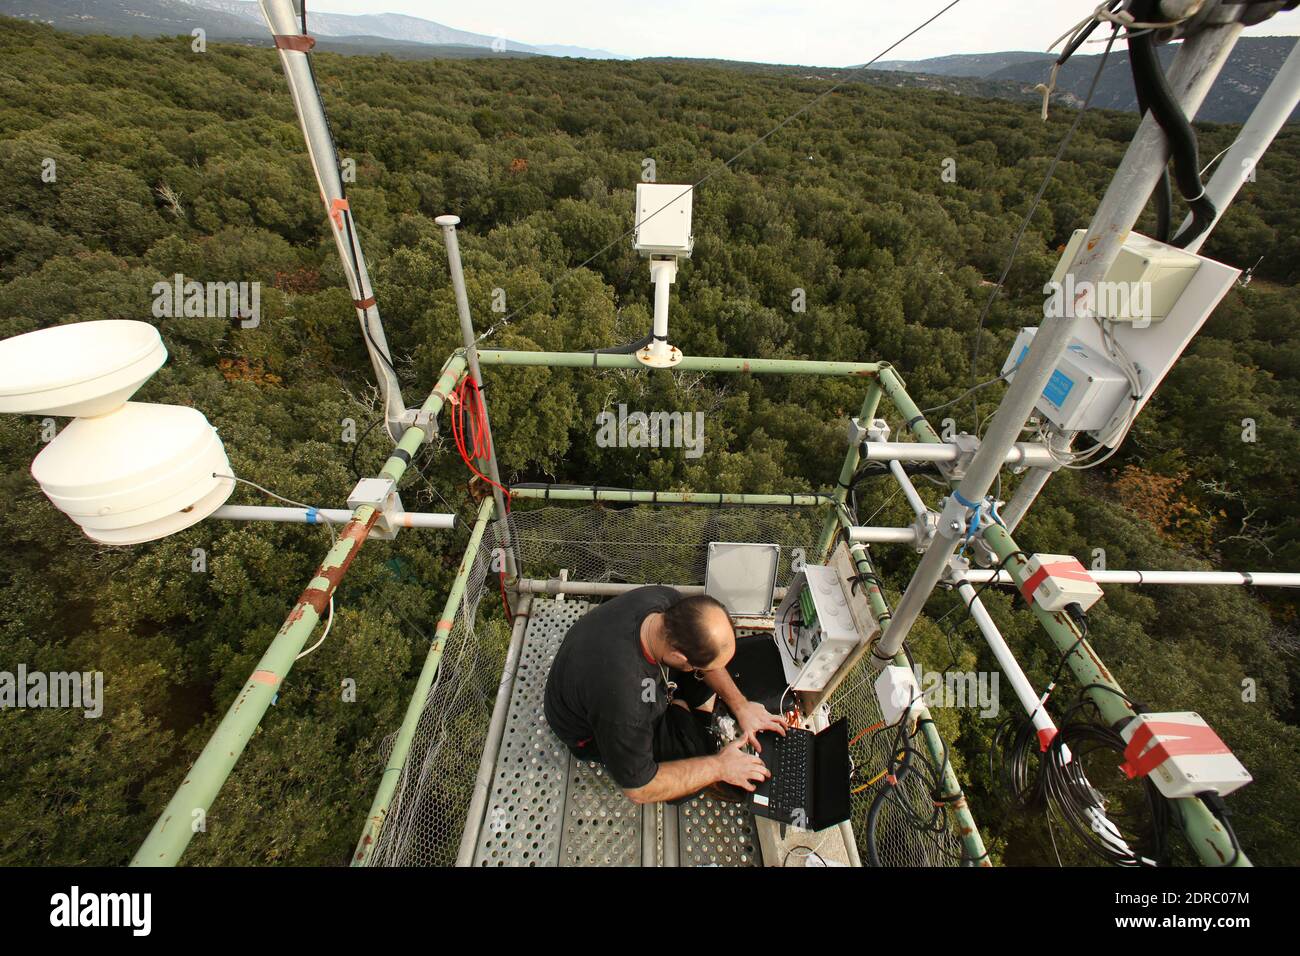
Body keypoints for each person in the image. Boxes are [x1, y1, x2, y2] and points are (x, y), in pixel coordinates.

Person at [543, 585, 787, 804]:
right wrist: (720, 767)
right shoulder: (626, 704)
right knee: (692, 753)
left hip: (605, 670)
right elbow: (640, 788)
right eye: (700, 667)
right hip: (589, 732)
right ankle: (687, 716)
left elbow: (700, 661)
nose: (705, 671)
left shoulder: (664, 602)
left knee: (731, 671)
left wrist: (741, 705)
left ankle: (685, 704)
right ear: (680, 657)